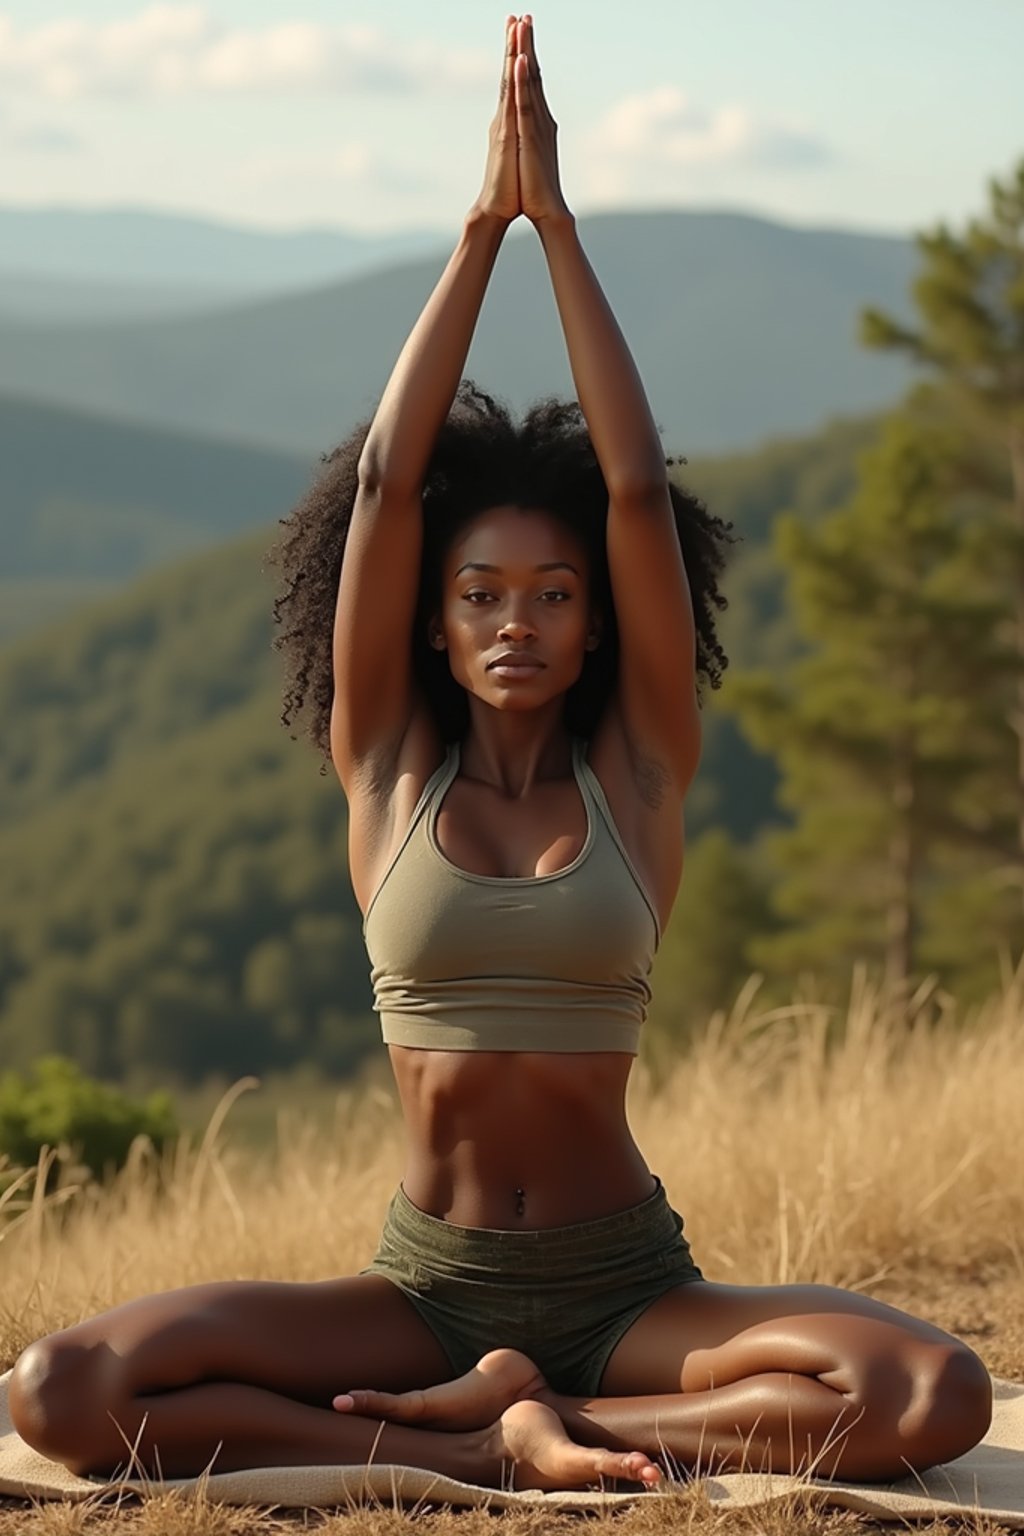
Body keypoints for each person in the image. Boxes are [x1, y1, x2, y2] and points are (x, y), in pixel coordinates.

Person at [9, 13, 991, 1496]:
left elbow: (641, 490)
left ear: (595, 627)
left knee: (934, 1392)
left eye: (551, 595)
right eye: (479, 597)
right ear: (438, 626)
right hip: (422, 1294)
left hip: (628, 1290)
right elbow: (394, 481)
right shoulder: (384, 772)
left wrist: (566, 234)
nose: (514, 622)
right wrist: (482, 233)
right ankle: (464, 1430)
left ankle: (552, 1429)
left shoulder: (640, 776)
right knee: (62, 1392)